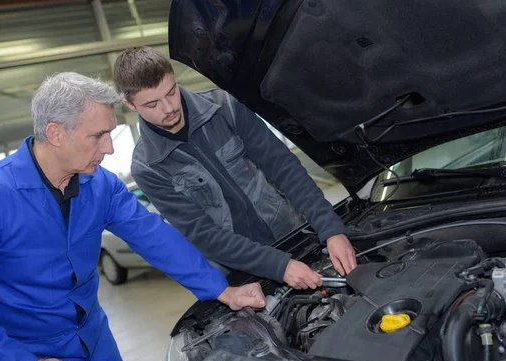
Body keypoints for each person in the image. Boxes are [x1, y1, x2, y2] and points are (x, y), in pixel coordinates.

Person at [0, 72, 265, 361]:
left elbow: (153, 236)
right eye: (97, 136)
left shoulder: (100, 184)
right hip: (23, 352)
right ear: (56, 133)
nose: (109, 149)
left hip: (95, 341)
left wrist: (220, 289)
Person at [114, 47, 357, 291]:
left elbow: (284, 168)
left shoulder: (225, 108)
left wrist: (330, 229)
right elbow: (203, 234)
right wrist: (279, 266)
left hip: (292, 234)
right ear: (129, 103)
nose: (168, 109)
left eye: (171, 92)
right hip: (239, 273)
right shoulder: (148, 168)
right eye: (152, 104)